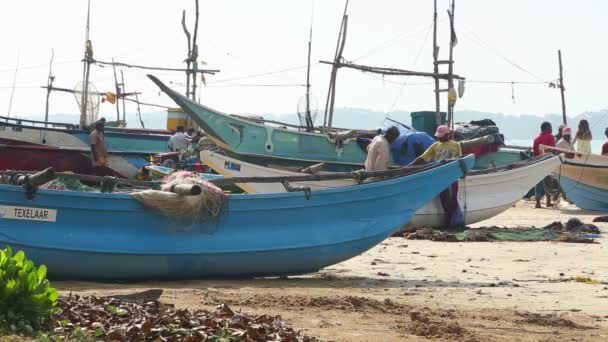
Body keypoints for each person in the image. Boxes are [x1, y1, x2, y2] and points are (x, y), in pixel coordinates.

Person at [411, 125, 463, 228]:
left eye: (442, 136)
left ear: (448, 135)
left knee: (452, 199)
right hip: (439, 177)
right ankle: (449, 222)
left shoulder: (456, 145)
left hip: (452, 177)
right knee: (443, 200)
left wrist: (463, 173)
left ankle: (454, 223)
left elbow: (460, 160)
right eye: (438, 136)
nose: (439, 138)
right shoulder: (435, 146)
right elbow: (422, 158)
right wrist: (409, 166)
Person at [532, 122, 555, 208]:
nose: (552, 130)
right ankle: (548, 201)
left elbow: (534, 153)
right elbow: (552, 150)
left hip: (538, 162)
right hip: (547, 162)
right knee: (548, 181)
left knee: (538, 182)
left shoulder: (536, 139)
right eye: (551, 128)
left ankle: (538, 202)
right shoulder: (550, 137)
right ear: (547, 128)